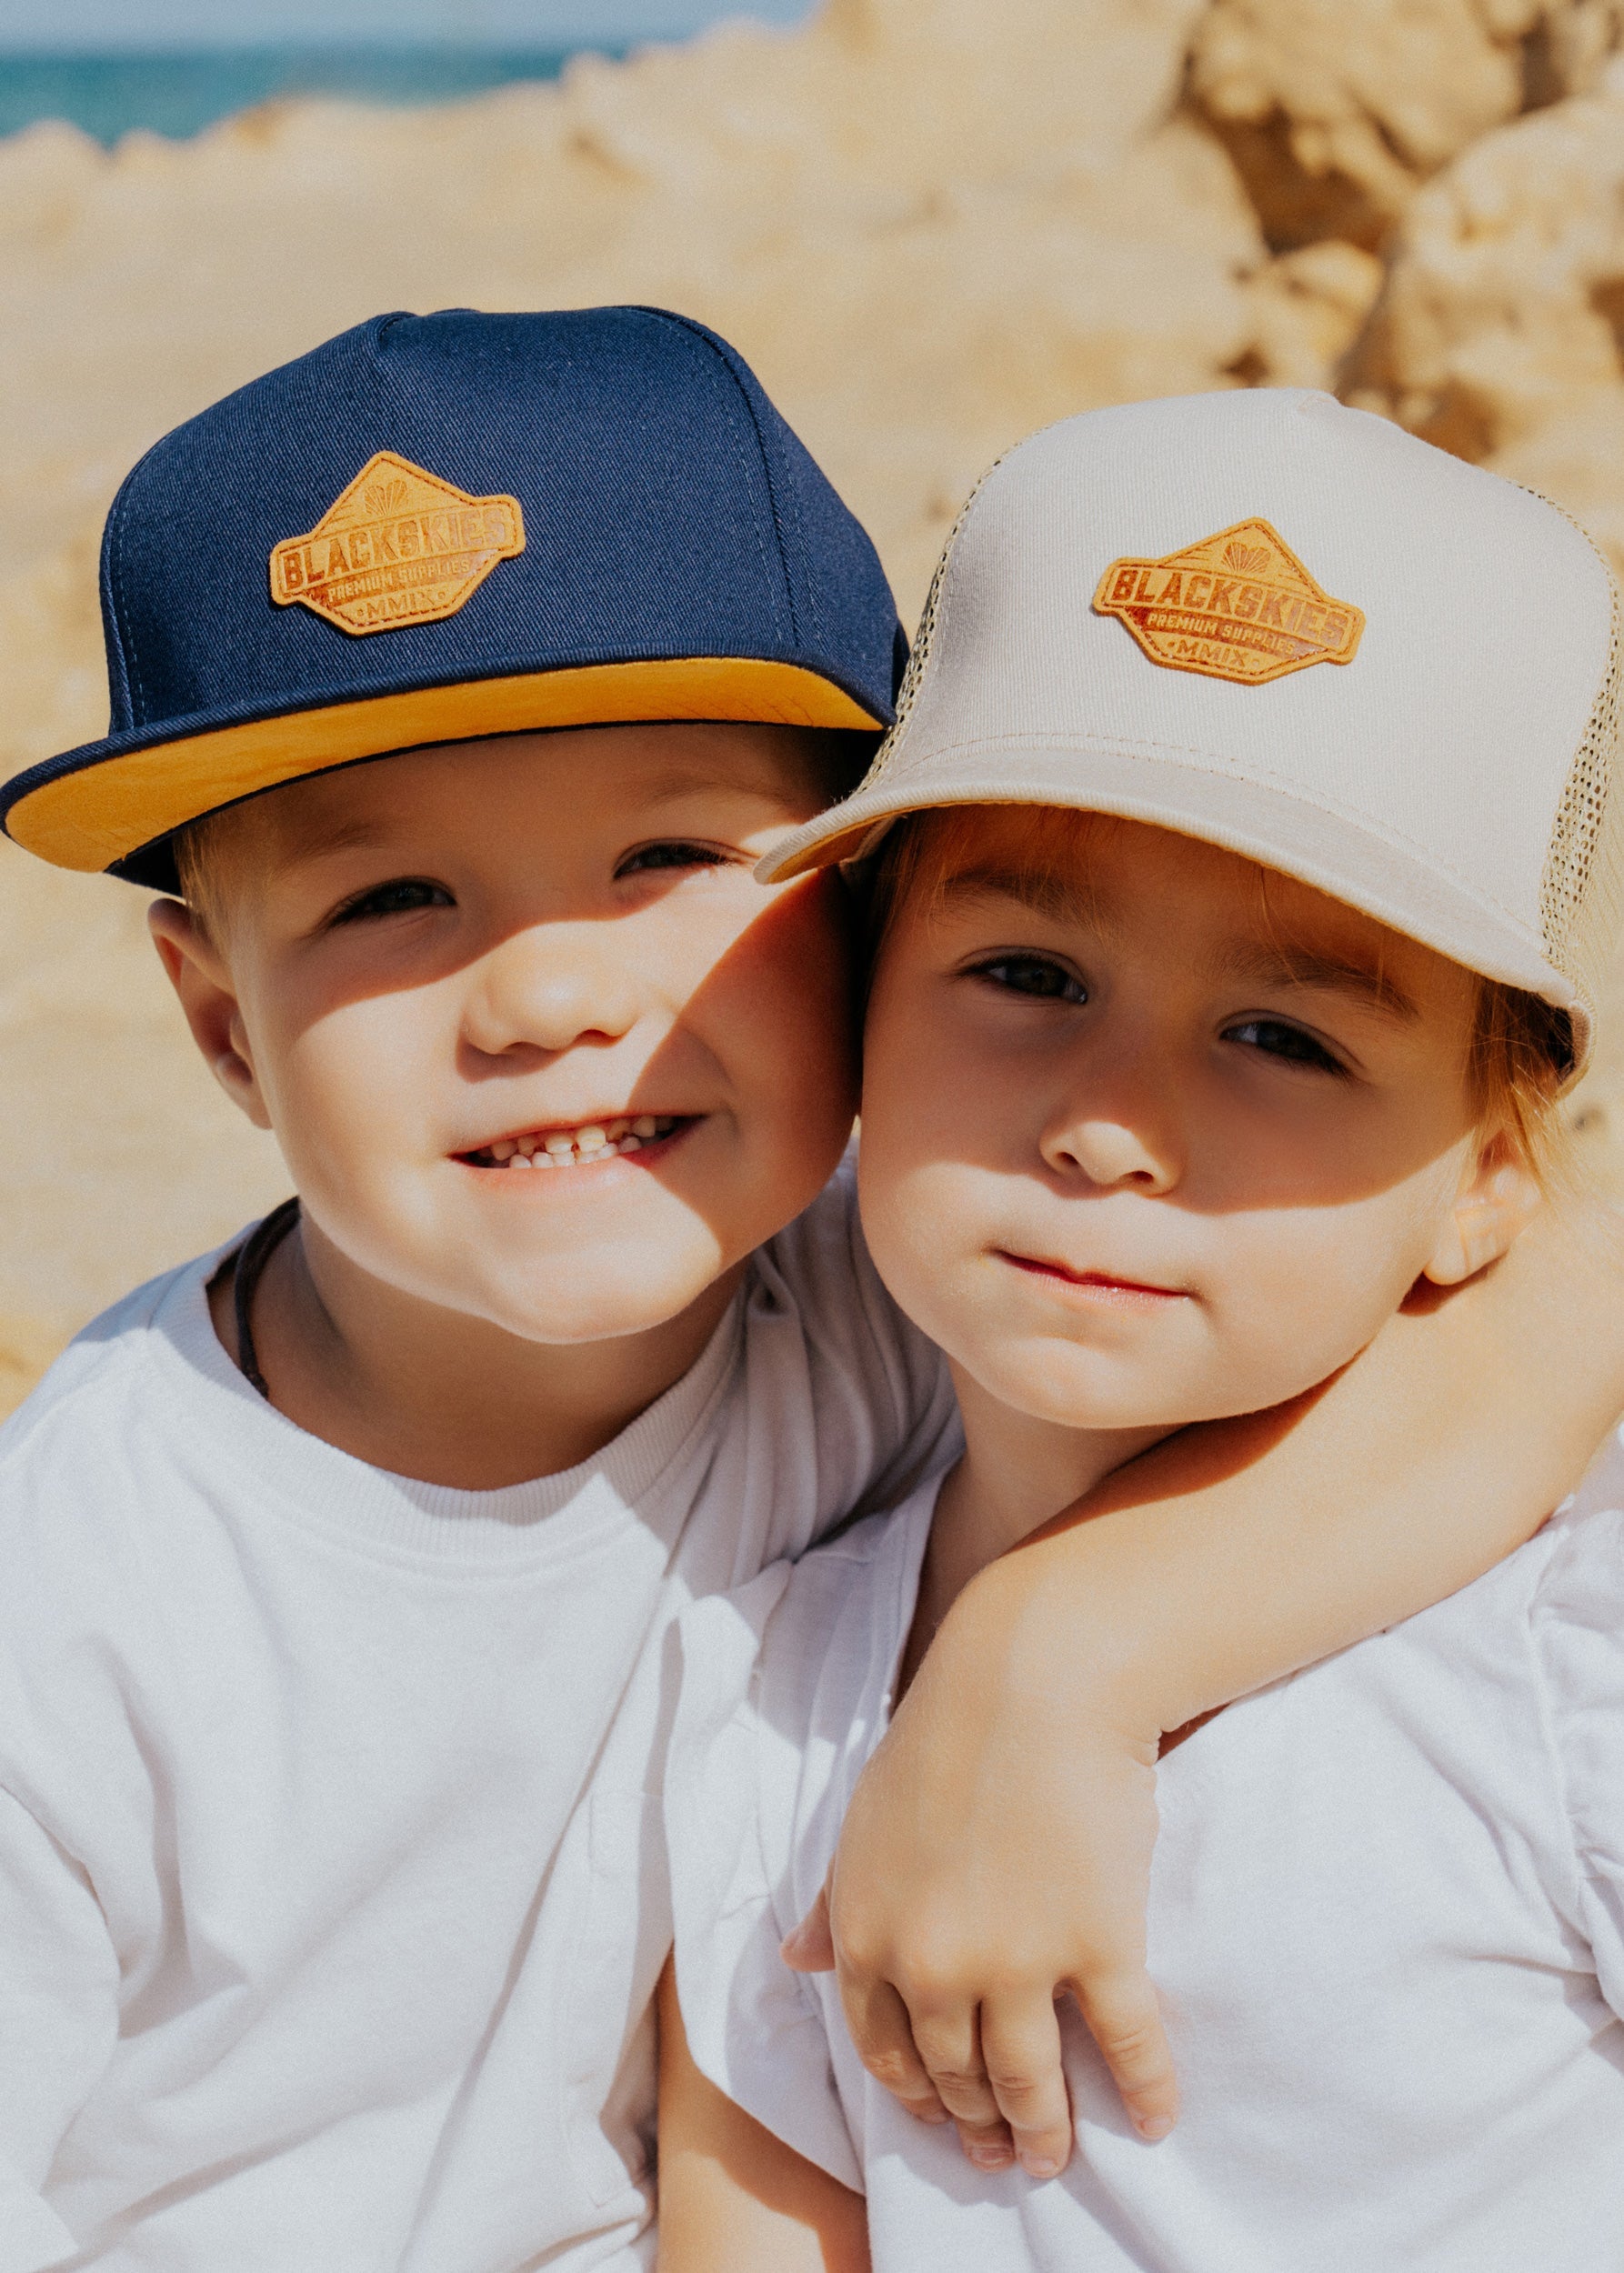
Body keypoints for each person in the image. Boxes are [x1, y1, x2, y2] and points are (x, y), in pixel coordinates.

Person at [0, 321, 1615, 2269]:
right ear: (216, 1022)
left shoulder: (923, 1282)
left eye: (669, 854)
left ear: (849, 914)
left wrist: (1069, 1649)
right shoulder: (78, 1603)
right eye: (388, 899)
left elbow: (1555, 1271)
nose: (543, 996)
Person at [658, 388, 1624, 2272]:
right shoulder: (762, 1678)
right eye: (1024, 972)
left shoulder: (1548, 1658)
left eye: (1285, 1035)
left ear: (1489, 1181)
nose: (1108, 1121)